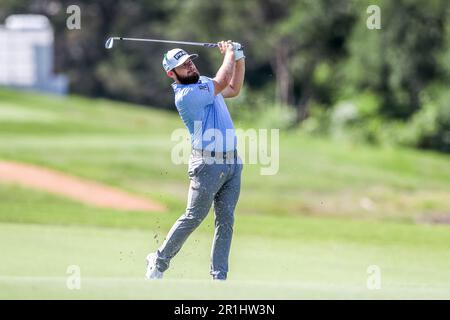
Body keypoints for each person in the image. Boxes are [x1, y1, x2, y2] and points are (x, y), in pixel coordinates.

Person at [145, 40, 245, 281]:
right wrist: (229, 53)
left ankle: (219, 277)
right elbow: (222, 82)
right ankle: (159, 261)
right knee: (193, 217)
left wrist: (239, 58)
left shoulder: (203, 83)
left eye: (190, 62)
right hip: (207, 165)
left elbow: (233, 88)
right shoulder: (186, 95)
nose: (189, 67)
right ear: (172, 73)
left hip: (232, 163)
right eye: (183, 66)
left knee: (226, 220)